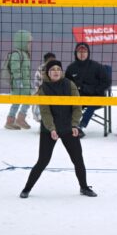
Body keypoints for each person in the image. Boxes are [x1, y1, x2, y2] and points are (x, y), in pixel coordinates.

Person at [20, 60, 97, 198]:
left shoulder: (69, 84)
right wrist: (52, 129)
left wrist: (75, 125)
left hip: (68, 127)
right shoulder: (44, 88)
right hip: (49, 129)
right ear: (48, 73)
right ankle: (26, 188)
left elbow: (77, 106)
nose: (56, 71)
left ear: (61, 72)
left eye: (58, 69)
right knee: (43, 161)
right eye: (52, 69)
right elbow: (45, 112)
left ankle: (84, 187)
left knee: (78, 159)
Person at [65, 43, 111, 137]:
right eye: (79, 52)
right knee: (70, 105)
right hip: (79, 97)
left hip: (96, 96)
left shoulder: (97, 66)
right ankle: (71, 126)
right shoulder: (71, 68)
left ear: (88, 53)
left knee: (92, 103)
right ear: (76, 53)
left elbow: (107, 81)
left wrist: (95, 90)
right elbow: (66, 84)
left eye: (84, 51)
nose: (82, 54)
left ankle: (80, 126)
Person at [4, 30, 33, 130]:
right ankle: (12, 121)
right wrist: (18, 81)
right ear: (22, 42)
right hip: (19, 84)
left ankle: (19, 119)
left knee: (27, 100)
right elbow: (15, 68)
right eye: (28, 42)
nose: (30, 44)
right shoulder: (17, 54)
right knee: (19, 102)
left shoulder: (25, 54)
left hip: (25, 84)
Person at [32, 52, 55, 123]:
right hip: (42, 94)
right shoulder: (40, 70)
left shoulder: (57, 69)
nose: (52, 62)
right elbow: (37, 85)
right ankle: (43, 123)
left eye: (53, 60)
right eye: (50, 61)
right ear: (45, 62)